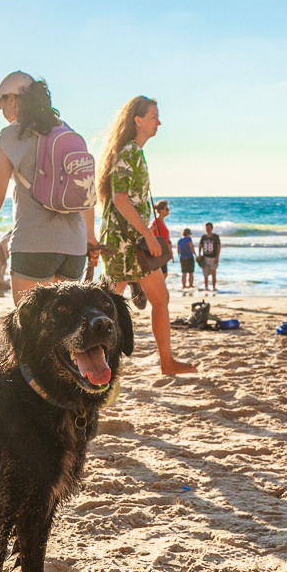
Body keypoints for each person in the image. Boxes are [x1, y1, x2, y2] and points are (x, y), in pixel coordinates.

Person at [0, 71, 96, 305]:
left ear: (13, 99)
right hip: (74, 248)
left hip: (34, 244)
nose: (2, 111)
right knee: (64, 324)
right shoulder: (66, 130)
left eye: (2, 103)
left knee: (30, 324)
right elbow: (84, 189)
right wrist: (91, 238)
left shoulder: (11, 135)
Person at [97, 95, 195, 375]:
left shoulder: (135, 153)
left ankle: (167, 362)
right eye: (154, 117)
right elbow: (119, 199)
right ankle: (96, 365)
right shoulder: (127, 152)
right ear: (137, 120)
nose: (158, 122)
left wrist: (146, 235)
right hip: (122, 243)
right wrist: (150, 236)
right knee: (106, 308)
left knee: (157, 299)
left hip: (132, 243)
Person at [150, 199, 172, 276]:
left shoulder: (162, 221)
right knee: (163, 274)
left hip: (164, 251)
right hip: (159, 251)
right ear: (161, 210)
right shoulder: (157, 221)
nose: (168, 211)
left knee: (164, 273)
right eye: (167, 209)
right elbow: (149, 231)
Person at [198, 222, 221, 292]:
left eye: (208, 228)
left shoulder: (215, 236)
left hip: (213, 257)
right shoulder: (203, 237)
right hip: (205, 257)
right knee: (205, 274)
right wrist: (199, 254)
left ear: (211, 228)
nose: (207, 229)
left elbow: (219, 247)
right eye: (206, 228)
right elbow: (200, 246)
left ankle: (214, 287)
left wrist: (217, 257)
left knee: (213, 273)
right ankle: (206, 287)